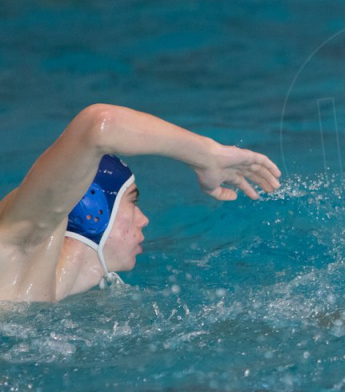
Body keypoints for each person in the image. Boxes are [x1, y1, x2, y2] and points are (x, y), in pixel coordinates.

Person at [0, 104, 281, 302]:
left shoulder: (44, 290)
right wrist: (207, 155)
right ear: (93, 211)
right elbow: (99, 125)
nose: (144, 219)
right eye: (132, 201)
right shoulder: (18, 247)